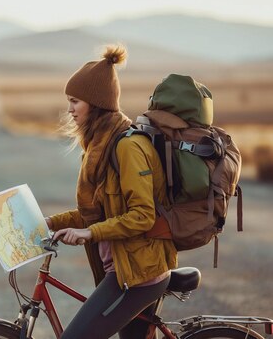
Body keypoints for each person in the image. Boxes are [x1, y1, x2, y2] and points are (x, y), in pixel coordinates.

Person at [45, 44, 177, 339]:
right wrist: (50, 223)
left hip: (138, 274)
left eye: (75, 101)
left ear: (95, 103)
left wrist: (90, 233)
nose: (69, 109)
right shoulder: (99, 147)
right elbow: (96, 213)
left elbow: (143, 216)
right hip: (122, 269)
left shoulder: (127, 147)